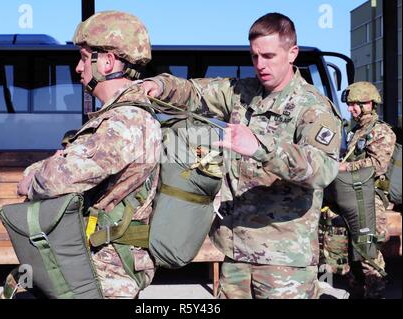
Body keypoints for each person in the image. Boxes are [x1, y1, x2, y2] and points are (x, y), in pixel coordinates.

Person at [143, 12, 342, 299]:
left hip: (283, 260)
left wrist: (260, 146)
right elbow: (196, 91)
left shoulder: (313, 108)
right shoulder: (242, 93)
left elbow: (322, 170)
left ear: (292, 53)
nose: (260, 65)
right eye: (254, 56)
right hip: (236, 253)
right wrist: (161, 86)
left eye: (269, 56)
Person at [8, 10, 162, 299]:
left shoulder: (125, 121)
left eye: (83, 57)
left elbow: (58, 180)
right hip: (90, 264)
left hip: (103, 272)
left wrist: (32, 176)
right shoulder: (119, 117)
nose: (78, 68)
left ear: (107, 61)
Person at [338, 81, 396, 298]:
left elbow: (377, 165)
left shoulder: (381, 131)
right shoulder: (357, 130)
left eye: (356, 104)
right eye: (350, 104)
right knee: (351, 251)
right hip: (356, 196)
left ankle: (376, 291)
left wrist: (345, 166)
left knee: (368, 251)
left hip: (372, 198)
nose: (351, 108)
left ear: (370, 104)